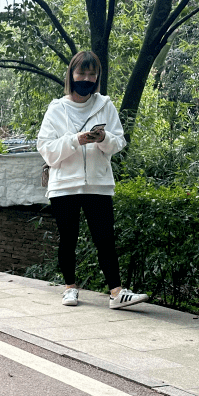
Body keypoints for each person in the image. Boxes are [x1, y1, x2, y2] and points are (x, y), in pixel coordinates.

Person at [37, 50, 148, 310]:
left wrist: (103, 139)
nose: (86, 78)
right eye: (81, 72)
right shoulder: (56, 109)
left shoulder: (105, 105)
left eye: (91, 73)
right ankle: (69, 288)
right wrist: (76, 140)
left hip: (98, 184)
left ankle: (117, 293)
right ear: (71, 75)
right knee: (68, 238)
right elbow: (46, 149)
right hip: (64, 185)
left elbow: (119, 141)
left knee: (105, 238)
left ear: (97, 76)